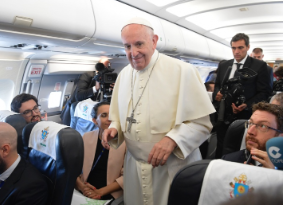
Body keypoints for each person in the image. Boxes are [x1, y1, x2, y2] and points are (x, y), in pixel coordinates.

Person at [102, 17, 215, 205]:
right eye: (127, 46)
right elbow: (120, 117)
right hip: (134, 169)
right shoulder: (123, 75)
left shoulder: (183, 71)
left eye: (139, 44)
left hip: (171, 168)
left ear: (154, 41)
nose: (133, 52)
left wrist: (173, 139)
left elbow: (202, 124)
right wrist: (115, 128)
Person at [213, 33, 271, 158]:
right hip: (223, 115)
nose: (236, 52)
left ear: (248, 47)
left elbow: (264, 92)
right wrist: (216, 95)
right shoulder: (224, 65)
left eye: (240, 48)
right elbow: (218, 85)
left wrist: (247, 105)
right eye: (233, 48)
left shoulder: (259, 66)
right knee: (221, 145)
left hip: (245, 116)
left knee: (240, 147)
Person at [75, 101, 125, 201]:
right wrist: (83, 187)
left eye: (112, 115)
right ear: (95, 120)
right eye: (104, 115)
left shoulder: (125, 143)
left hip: (111, 194)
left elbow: (127, 177)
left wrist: (100, 192)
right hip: (86, 190)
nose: (109, 119)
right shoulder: (86, 137)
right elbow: (74, 169)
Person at [222, 102, 283, 169]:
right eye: (250, 123)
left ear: (281, 136)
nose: (250, 131)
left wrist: (274, 176)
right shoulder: (229, 162)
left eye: (262, 126)